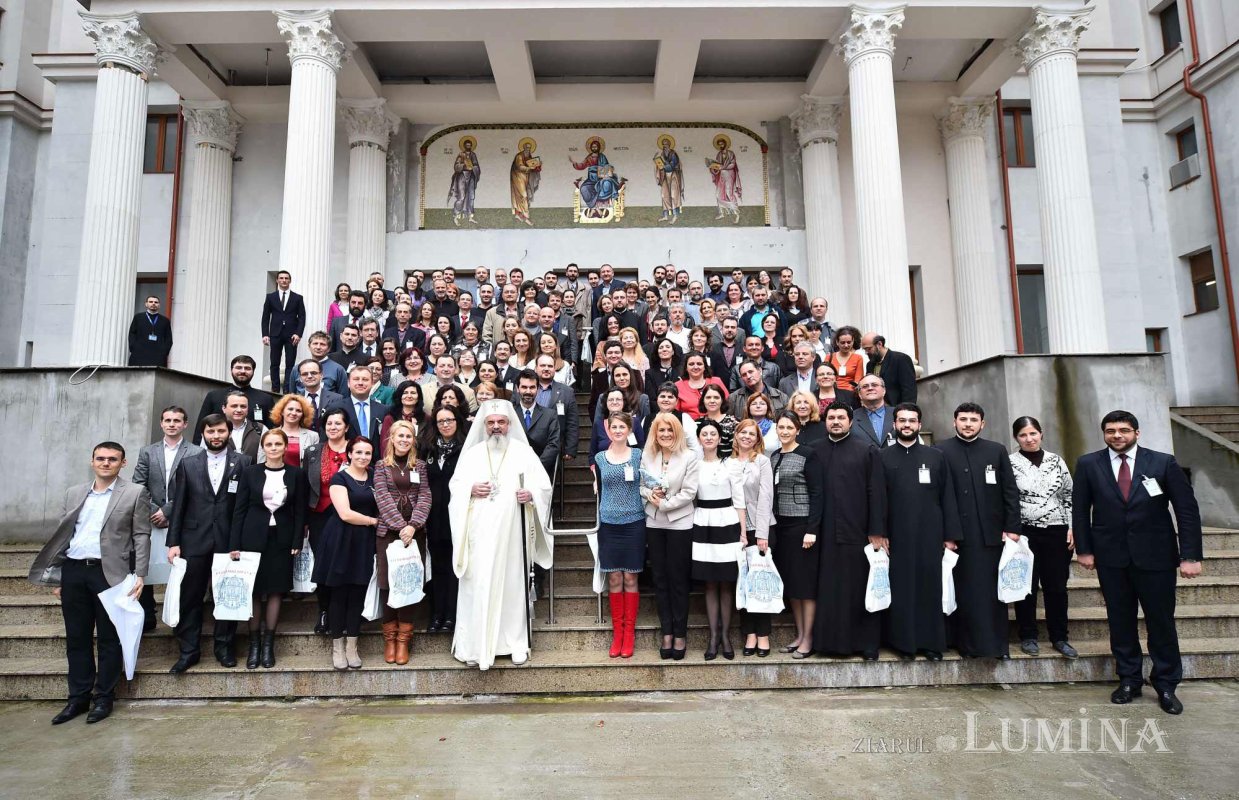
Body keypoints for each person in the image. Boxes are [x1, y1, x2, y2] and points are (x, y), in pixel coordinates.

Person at [1073, 410, 1203, 715]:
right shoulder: (1089, 464)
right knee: (1120, 622)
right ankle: (1129, 679)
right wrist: (1084, 549)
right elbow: (1079, 510)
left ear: (1137, 433)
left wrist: (1190, 555)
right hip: (1111, 558)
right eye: (1110, 431)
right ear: (1104, 434)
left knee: (1161, 622)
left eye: (1123, 430)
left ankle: (1166, 684)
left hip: (1156, 557)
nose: (1117, 435)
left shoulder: (1162, 462)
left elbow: (1186, 510)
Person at [30, 442, 151, 725]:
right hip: (74, 571)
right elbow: (63, 535)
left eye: (112, 459)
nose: (105, 463)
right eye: (100, 458)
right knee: (77, 637)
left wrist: (140, 574)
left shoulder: (134, 493)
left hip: (110, 574)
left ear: (123, 463)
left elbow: (141, 535)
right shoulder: (74, 493)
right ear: (92, 461)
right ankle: (78, 698)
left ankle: (104, 698)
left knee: (109, 638)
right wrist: (59, 575)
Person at [448, 401, 554, 670]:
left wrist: (531, 494)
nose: (496, 427)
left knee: (512, 586)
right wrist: (470, 489)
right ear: (484, 425)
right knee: (478, 585)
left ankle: (514, 644)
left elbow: (543, 486)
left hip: (512, 535)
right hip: (478, 535)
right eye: (491, 422)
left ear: (509, 424)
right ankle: (475, 645)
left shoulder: (523, 452)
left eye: (501, 422)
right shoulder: (472, 454)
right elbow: (455, 487)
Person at [937, 402, 1022, 660]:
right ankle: (966, 645)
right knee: (963, 591)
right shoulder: (940, 450)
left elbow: (1010, 491)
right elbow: (938, 495)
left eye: (973, 420)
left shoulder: (996, 450)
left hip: (991, 534)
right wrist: (946, 534)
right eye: (963, 419)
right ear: (954, 422)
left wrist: (1012, 528)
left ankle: (997, 646)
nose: (968, 424)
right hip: (957, 536)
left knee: (991, 593)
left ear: (982, 424)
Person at [166, 414, 251, 671]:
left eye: (220, 431)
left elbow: (244, 506)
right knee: (190, 597)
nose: (216, 436)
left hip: (229, 540)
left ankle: (224, 647)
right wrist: (173, 542)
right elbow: (179, 505)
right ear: (203, 434)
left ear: (229, 433)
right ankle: (188, 651)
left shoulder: (243, 462)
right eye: (210, 431)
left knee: (226, 596)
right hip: (193, 540)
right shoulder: (188, 464)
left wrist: (241, 541)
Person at [880, 403, 960, 661]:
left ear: (919, 425)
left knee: (929, 586)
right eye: (902, 420)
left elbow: (948, 497)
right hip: (896, 534)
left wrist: (950, 535)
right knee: (901, 588)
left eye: (912, 420)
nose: (907, 425)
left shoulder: (936, 456)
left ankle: (931, 643)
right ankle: (904, 644)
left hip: (930, 534)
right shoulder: (882, 456)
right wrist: (879, 532)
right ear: (894, 424)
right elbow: (878, 499)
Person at [810, 402, 887, 660]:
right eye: (831, 417)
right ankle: (828, 643)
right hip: (824, 532)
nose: (835, 421)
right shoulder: (815, 450)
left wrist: (876, 530)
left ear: (851, 422)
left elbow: (876, 492)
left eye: (840, 417)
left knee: (859, 588)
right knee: (828, 589)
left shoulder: (867, 450)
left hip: (858, 530)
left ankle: (866, 644)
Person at [228, 429, 307, 669]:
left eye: (278, 444)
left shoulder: (296, 474)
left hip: (281, 539)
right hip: (252, 538)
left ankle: (268, 646)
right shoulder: (250, 472)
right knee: (254, 591)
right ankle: (254, 645)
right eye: (269, 444)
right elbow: (239, 509)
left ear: (285, 447)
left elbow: (300, 510)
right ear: (263, 447)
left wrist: (297, 541)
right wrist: (234, 544)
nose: (273, 448)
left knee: (275, 591)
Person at [1007, 416, 1078, 659]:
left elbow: (1069, 495)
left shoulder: (1056, 461)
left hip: (1057, 531)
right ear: (1016, 438)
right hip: (1024, 533)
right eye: (1023, 435)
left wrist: (1073, 526)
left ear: (1041, 434)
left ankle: (1060, 637)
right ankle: (1028, 636)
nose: (1029, 439)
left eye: (1033, 433)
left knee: (1056, 586)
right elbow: (1006, 499)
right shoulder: (1010, 463)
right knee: (1026, 587)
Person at [132, 406, 200, 631]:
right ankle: (148, 614)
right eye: (168, 420)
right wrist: (155, 510)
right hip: (151, 517)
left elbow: (195, 487)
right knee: (146, 564)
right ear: (161, 423)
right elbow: (138, 484)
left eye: (177, 420)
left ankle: (177, 614)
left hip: (182, 517)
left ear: (185, 424)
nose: (172, 424)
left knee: (178, 568)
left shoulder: (196, 452)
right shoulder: (147, 452)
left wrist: (168, 511)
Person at [314, 437, 380, 671]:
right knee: (339, 594)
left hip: (364, 542)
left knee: (358, 593)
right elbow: (345, 513)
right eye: (358, 452)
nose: (363, 457)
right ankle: (337, 647)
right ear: (349, 454)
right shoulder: (339, 478)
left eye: (368, 453)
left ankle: (352, 646)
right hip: (341, 540)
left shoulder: (375, 477)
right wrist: (374, 521)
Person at [640, 412, 699, 661]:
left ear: (677, 432)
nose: (665, 434)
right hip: (654, 522)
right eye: (661, 430)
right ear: (655, 433)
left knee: (678, 580)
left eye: (670, 430)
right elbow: (641, 485)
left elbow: (690, 492)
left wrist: (665, 504)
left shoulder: (689, 457)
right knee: (660, 579)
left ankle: (680, 634)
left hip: (680, 523)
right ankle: (667, 632)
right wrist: (649, 495)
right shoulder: (648, 455)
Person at [767, 413, 826, 658]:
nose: (785, 431)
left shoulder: (808, 454)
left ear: (798, 430)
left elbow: (817, 493)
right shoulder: (774, 456)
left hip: (802, 527)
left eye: (789, 427)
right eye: (781, 427)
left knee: (805, 586)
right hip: (781, 526)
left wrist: (812, 529)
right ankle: (799, 635)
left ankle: (808, 638)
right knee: (792, 585)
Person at [373, 421, 432, 665]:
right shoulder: (381, 466)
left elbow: (425, 495)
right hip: (388, 534)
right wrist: (400, 526)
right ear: (392, 438)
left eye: (408, 436)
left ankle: (403, 640)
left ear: (413, 440)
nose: (404, 440)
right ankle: (390, 638)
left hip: (415, 534)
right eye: (400, 435)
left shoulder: (420, 466)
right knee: (388, 585)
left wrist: (413, 525)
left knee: (409, 584)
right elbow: (382, 496)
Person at [690, 419, 746, 660]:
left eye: (713, 433)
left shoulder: (731, 464)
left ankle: (726, 636)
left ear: (720, 437)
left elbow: (740, 500)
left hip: (728, 522)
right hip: (703, 523)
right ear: (699, 438)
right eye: (705, 434)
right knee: (710, 583)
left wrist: (743, 532)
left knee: (726, 582)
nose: (709, 437)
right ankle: (713, 637)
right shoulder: (694, 465)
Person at [592, 411, 647, 658]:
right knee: (614, 578)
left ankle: (629, 633)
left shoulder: (638, 455)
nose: (617, 431)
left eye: (622, 427)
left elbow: (646, 483)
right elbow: (600, 488)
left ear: (629, 430)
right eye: (613, 427)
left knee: (631, 577)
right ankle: (618, 634)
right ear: (608, 430)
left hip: (634, 522)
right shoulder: (599, 458)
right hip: (608, 523)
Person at [302, 408, 350, 635]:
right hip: (319, 515)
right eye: (329, 423)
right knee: (323, 563)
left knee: (344, 563)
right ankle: (324, 611)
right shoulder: (313, 451)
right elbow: (305, 487)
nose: (333, 427)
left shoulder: (356, 449)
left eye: (338, 423)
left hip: (348, 516)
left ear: (346, 427)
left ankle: (343, 612)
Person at [732, 420, 775, 657]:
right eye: (743, 432)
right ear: (736, 435)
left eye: (752, 434)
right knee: (743, 583)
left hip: (760, 529)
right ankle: (749, 633)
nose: (747, 436)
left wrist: (761, 534)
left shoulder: (762, 462)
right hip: (736, 530)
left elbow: (766, 497)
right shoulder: (728, 462)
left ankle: (763, 634)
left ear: (758, 439)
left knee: (761, 582)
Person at [421, 405, 466, 632]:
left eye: (449, 420)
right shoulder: (427, 449)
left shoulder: (466, 449)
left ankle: (451, 615)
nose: (445, 424)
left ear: (457, 421)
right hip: (432, 518)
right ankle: (436, 614)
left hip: (457, 517)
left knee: (453, 567)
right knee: (436, 567)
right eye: (441, 421)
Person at [194, 355, 275, 438]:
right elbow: (201, 427)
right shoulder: (214, 396)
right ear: (231, 370)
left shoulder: (265, 399)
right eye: (239, 367)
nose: (243, 371)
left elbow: (272, 431)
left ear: (253, 371)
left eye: (247, 368)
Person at [261, 270, 306, 393]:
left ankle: (287, 389)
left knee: (290, 363)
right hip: (275, 334)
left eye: (286, 278)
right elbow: (265, 317)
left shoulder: (297, 298)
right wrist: (265, 334)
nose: (284, 280)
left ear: (290, 280)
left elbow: (302, 317)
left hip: (292, 335)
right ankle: (275, 389)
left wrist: (298, 334)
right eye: (281, 278)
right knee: (274, 362)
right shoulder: (271, 297)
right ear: (277, 280)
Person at [514, 369, 561, 477]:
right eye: (524, 387)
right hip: (514, 471)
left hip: (541, 471)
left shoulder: (550, 415)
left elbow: (553, 445)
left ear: (538, 389)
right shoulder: (509, 414)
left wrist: (537, 466)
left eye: (532, 387)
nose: (528, 391)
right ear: (517, 388)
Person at [861, 332, 917, 406]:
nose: (866, 352)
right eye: (865, 349)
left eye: (869, 348)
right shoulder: (870, 365)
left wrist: (906, 409)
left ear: (879, 344)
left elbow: (909, 390)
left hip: (897, 408)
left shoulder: (900, 359)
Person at [675, 352, 727, 421]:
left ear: (705, 367)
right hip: (687, 425)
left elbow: (726, 404)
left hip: (716, 423)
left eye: (699, 364)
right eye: (691, 364)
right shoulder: (678, 386)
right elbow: (675, 411)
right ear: (686, 368)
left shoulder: (716, 381)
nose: (695, 367)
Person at [272, 394, 318, 467]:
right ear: (282, 411)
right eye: (290, 409)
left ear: (303, 415)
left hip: (302, 474)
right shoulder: (270, 434)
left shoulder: (313, 436)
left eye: (298, 411)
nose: (294, 413)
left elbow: (314, 465)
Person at [127, 294, 173, 367]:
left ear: (159, 305)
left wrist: (164, 352)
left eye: (156, 302)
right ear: (146, 304)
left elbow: (168, 339)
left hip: (158, 356)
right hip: (139, 354)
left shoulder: (165, 321)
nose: (153, 304)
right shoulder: (138, 317)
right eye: (151, 302)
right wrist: (134, 348)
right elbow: (132, 334)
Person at [380, 380, 425, 453]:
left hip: (419, 458)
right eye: (405, 393)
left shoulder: (426, 419)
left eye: (413, 393)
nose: (409, 396)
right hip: (392, 458)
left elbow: (428, 444)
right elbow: (384, 445)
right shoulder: (390, 418)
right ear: (399, 396)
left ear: (418, 397)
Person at [696, 383, 738, 458]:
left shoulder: (732, 423)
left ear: (722, 400)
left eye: (716, 397)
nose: (712, 401)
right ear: (703, 400)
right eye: (708, 397)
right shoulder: (696, 423)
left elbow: (737, 451)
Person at [852, 375, 893, 448]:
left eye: (874, 385)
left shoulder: (898, 414)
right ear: (859, 394)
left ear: (884, 391)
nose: (870, 388)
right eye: (865, 386)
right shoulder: (851, 418)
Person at [223, 390, 264, 460]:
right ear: (224, 408)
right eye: (234, 406)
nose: (239, 410)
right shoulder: (214, 429)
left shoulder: (260, 429)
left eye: (243, 406)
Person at [829, 326, 865, 393]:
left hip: (850, 393)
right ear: (837, 342)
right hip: (832, 391)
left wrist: (846, 393)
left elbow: (858, 380)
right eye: (843, 342)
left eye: (849, 342)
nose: (846, 345)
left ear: (853, 341)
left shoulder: (858, 358)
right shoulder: (829, 357)